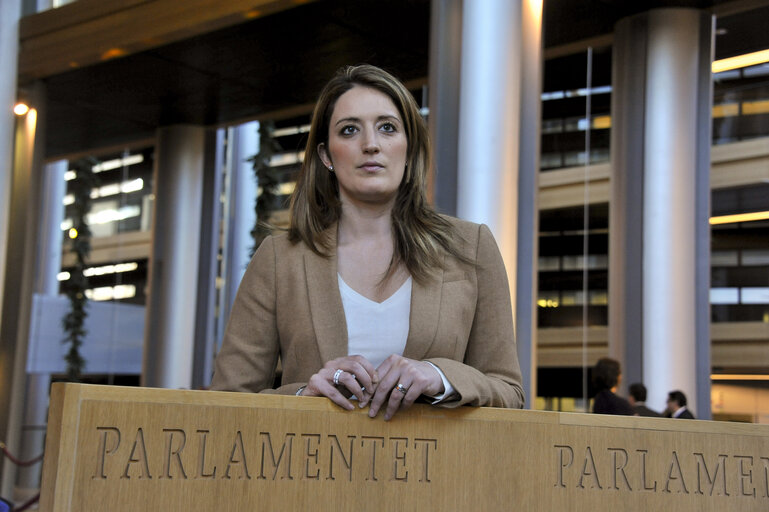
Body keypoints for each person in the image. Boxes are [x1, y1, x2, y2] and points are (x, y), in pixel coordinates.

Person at [211, 64, 524, 420]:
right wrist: (304, 393)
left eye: (387, 128)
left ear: (409, 149)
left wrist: (440, 377)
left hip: (439, 472)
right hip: (312, 470)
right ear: (327, 156)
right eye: (349, 130)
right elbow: (228, 399)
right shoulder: (280, 259)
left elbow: (509, 392)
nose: (370, 144)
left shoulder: (473, 247)